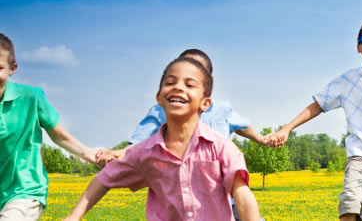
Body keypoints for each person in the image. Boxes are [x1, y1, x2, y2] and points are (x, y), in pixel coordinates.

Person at [64, 57, 260, 220]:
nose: (178, 87)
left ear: (205, 103)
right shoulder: (144, 153)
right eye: (170, 82)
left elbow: (242, 195)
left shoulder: (222, 148)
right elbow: (104, 179)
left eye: (189, 84)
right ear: (159, 97)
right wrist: (73, 217)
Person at [268, 19, 362, 221]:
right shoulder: (345, 80)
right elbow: (317, 105)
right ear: (358, 47)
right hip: (360, 153)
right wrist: (286, 129)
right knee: (350, 202)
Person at [95, 49, 268, 166]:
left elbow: (242, 125)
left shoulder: (222, 108)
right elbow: (138, 144)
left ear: (209, 82)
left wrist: (260, 139)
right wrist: (118, 153)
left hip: (224, 198)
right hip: (182, 198)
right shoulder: (161, 110)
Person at [0, 32, 100, 221]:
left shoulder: (30, 97)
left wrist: (86, 153)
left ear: (12, 68)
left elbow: (58, 134)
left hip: (24, 190)